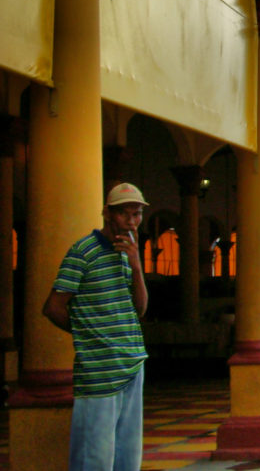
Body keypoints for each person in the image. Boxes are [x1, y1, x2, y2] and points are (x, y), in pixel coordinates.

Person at [43, 182, 149, 471]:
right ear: (107, 213)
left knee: (128, 457)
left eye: (136, 214)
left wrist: (136, 265)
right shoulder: (83, 251)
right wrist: (90, 336)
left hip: (132, 363)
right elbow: (53, 307)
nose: (131, 221)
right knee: (95, 457)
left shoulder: (130, 253)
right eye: (124, 214)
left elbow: (140, 309)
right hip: (98, 370)